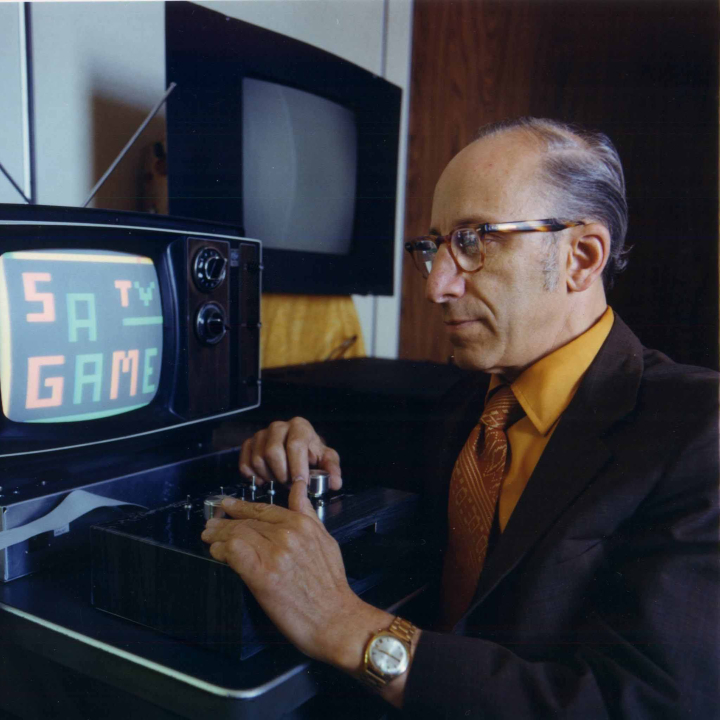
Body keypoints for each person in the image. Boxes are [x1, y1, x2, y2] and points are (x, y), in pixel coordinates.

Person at [201, 118, 719, 717]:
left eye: (474, 241)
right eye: (433, 247)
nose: (437, 286)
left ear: (581, 257)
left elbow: (641, 706)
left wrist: (348, 626)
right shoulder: (469, 404)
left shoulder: (697, 433)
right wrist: (301, 445)